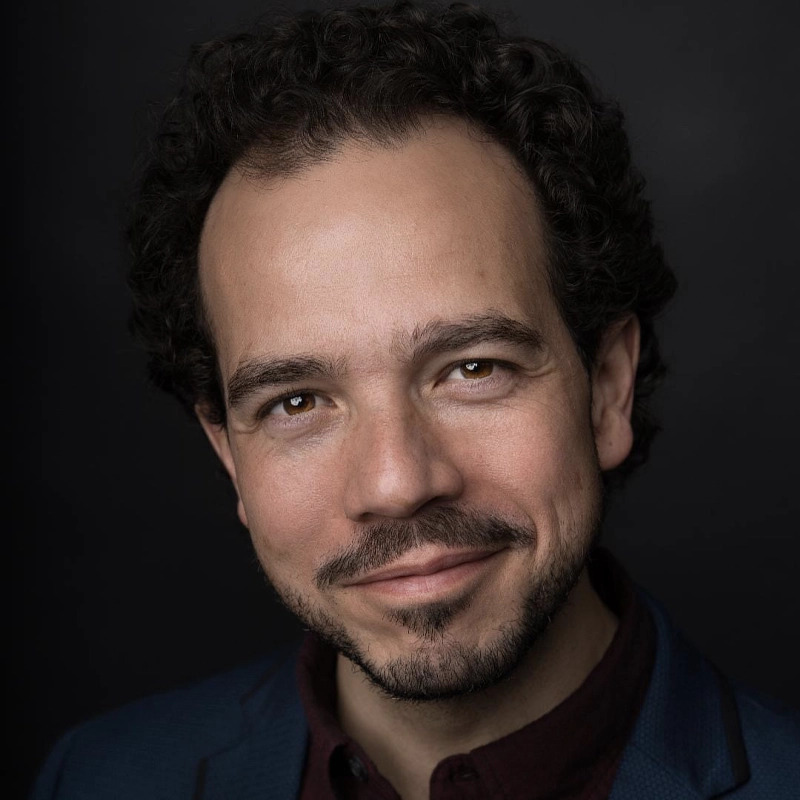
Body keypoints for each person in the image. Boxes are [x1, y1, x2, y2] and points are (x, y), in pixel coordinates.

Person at [32, 2, 799, 798]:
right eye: (297, 403)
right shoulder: (94, 779)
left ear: (607, 388)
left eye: (472, 369)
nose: (398, 483)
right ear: (228, 453)